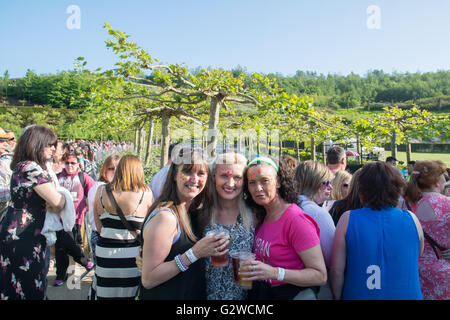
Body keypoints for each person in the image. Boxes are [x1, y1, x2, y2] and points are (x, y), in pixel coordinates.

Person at [138, 146, 229, 300]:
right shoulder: (165, 217)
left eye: (201, 173)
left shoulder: (190, 210)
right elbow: (149, 279)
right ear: (174, 175)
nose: (194, 179)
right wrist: (194, 254)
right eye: (187, 172)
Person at [330, 161, 424, 300]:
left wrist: (337, 296)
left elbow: (337, 270)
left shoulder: (348, 219)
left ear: (362, 189)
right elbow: (417, 254)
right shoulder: (412, 219)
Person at [240, 155, 327, 300]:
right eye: (252, 183)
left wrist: (275, 273)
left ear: (278, 182)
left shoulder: (296, 220)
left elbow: (320, 275)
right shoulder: (262, 215)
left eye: (265, 181)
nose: (258, 188)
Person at [0, 125, 66, 300]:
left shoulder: (24, 166)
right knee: (27, 287)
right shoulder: (30, 168)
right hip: (23, 236)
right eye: (49, 144)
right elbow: (57, 202)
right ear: (37, 143)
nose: (53, 149)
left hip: (25, 233)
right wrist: (64, 197)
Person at [92, 155, 153, 299]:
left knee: (105, 292)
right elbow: (150, 228)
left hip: (104, 252)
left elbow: (99, 227)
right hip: (132, 256)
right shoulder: (146, 193)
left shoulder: (101, 191)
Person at [204, 152, 255, 300]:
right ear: (214, 177)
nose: (230, 183)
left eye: (237, 177)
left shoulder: (255, 215)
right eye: (224, 176)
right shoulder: (201, 215)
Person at [403, 160, 449, 300]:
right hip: (443, 272)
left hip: (412, 271)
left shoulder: (404, 205)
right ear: (436, 183)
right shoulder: (446, 204)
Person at [54, 153, 95, 286]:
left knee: (68, 244)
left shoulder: (83, 177)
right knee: (61, 248)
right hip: (58, 219)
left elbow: (94, 192)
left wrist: (89, 208)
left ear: (78, 164)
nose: (70, 166)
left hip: (76, 219)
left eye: (73, 163)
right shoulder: (58, 177)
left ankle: (83, 263)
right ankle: (62, 274)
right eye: (67, 163)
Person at [295, 160, 335, 269]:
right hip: (310, 279)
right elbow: (332, 257)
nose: (330, 187)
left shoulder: (287, 205)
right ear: (313, 183)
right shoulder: (317, 214)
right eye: (326, 183)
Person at [87, 155, 120, 265]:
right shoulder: (99, 187)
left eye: (118, 168)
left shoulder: (113, 187)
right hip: (101, 235)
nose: (114, 171)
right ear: (104, 170)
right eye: (111, 168)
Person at [0, 128, 14, 214]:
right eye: (1, 141)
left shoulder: (9, 161)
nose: (5, 144)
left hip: (5, 211)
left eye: (6, 141)